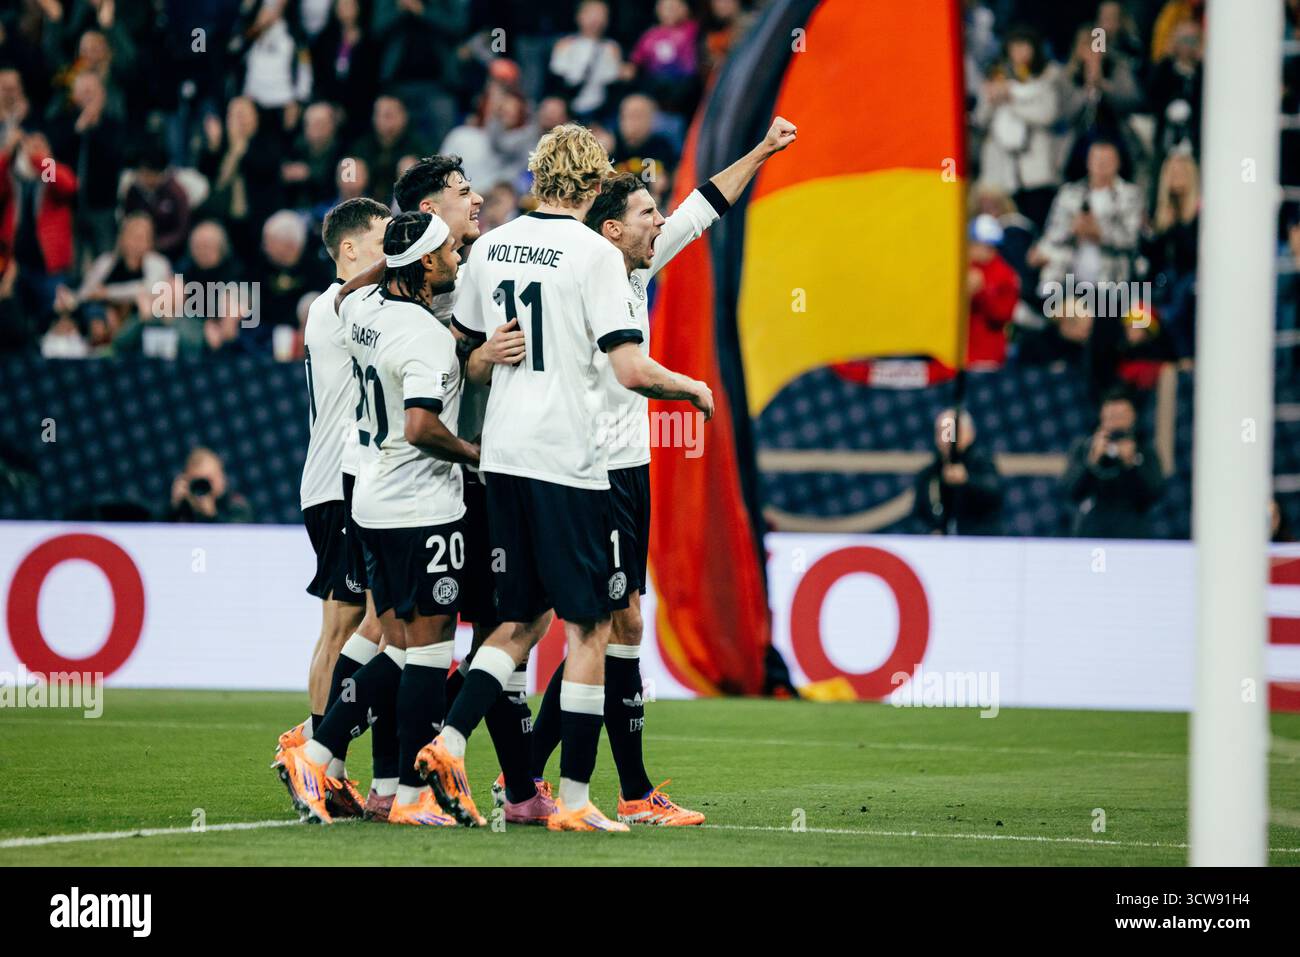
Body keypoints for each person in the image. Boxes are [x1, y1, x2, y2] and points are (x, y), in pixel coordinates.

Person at [416, 123, 714, 831]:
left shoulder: (488, 246)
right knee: (589, 627)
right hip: (569, 460)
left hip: (503, 457)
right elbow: (629, 369)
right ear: (591, 179)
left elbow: (462, 348)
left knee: (517, 619)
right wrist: (693, 389)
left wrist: (486, 355)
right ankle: (576, 802)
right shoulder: (595, 253)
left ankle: (447, 741)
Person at [511, 115, 796, 827]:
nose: (660, 222)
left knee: (620, 622)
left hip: (628, 466)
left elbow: (705, 206)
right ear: (611, 228)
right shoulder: (590, 263)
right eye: (646, 213)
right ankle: (583, 784)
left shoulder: (634, 257)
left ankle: (547, 779)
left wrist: (761, 150)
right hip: (588, 466)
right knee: (602, 624)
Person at [275, 211, 472, 826]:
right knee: (427, 646)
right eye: (446, 253)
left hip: (372, 501)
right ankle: (400, 793)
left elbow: (359, 285)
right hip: (419, 503)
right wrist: (474, 455)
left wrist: (396, 256)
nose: (457, 259)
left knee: (390, 640)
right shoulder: (423, 335)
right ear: (425, 266)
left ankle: (320, 751)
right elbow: (420, 426)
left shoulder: (356, 311)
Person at [276, 197, 390, 820]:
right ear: (349, 250)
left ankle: (329, 763)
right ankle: (319, 757)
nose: (390, 247)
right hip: (336, 485)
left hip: (343, 482)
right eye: (381, 238)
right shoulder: (334, 306)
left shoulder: (349, 305)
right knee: (350, 624)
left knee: (352, 623)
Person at [1062, 389, 1163, 538]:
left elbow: (1153, 494)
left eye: (1121, 416)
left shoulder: (1145, 450)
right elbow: (1069, 491)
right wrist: (1092, 460)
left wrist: (1131, 464)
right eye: (1110, 416)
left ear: (1133, 416)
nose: (1115, 421)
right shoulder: (1084, 448)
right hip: (1091, 530)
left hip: (1132, 532)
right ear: (1101, 415)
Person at [910, 409, 1003, 536]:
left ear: (970, 434)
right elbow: (918, 516)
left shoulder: (982, 465)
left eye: (954, 432)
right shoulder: (929, 474)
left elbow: (995, 494)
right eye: (943, 433)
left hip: (980, 544)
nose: (948, 439)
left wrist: (966, 480)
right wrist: (930, 532)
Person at [167, 446, 255, 523]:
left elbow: (236, 537)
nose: (203, 487)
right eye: (199, 481)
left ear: (221, 478)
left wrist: (211, 515)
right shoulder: (184, 508)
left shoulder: (236, 506)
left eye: (209, 479)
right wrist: (175, 509)